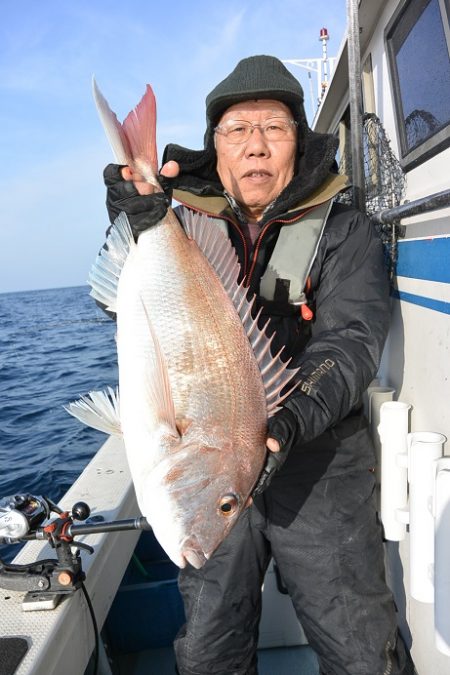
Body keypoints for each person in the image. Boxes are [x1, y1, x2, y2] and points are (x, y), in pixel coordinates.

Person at [103, 56, 415, 675]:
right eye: (237, 130)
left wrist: (292, 419)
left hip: (318, 455)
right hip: (212, 464)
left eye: (273, 128)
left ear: (297, 142)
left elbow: (351, 340)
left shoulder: (344, 227)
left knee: (360, 646)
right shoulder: (181, 219)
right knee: (208, 646)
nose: (256, 146)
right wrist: (131, 218)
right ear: (214, 147)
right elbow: (130, 306)